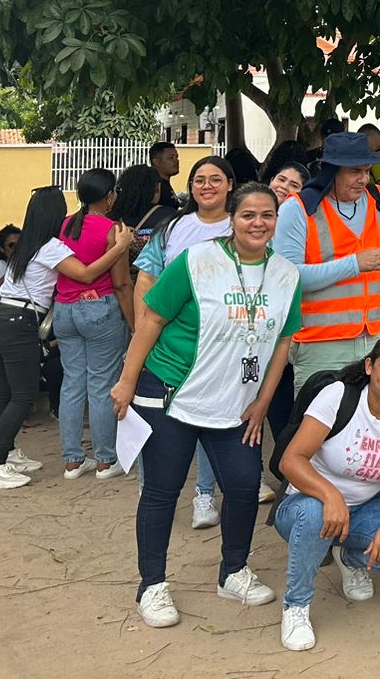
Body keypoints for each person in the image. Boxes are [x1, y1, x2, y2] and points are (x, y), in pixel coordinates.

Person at [111, 182, 302, 628]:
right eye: (248, 215)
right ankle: (151, 585)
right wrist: (127, 381)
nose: (258, 223)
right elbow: (152, 318)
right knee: (162, 490)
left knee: (243, 486)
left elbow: (282, 342)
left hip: (235, 403)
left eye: (267, 215)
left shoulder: (286, 275)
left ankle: (233, 571)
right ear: (231, 219)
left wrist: (263, 402)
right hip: (172, 393)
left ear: (277, 221)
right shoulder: (197, 260)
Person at [272, 334, 380, 651]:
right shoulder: (339, 396)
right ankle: (296, 605)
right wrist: (330, 495)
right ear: (369, 366)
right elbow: (291, 460)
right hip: (305, 504)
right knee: (316, 512)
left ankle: (348, 557)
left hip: (364, 507)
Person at [0, 186, 131, 489]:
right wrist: (119, 247)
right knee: (23, 395)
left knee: (3, 391)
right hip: (18, 320)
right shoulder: (50, 247)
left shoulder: (25, 244)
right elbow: (86, 274)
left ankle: (10, 454)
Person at [135, 155, 238, 526]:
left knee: (210, 420)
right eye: (199, 180)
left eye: (215, 179)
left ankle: (204, 495)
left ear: (230, 184)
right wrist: (142, 330)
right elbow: (146, 279)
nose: (206, 186)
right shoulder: (172, 227)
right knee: (159, 418)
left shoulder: (241, 226)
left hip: (222, 344)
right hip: (170, 342)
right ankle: (151, 492)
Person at [276, 133, 380, 392]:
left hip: (373, 340)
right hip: (321, 344)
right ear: (332, 171)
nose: (364, 179)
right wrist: (354, 264)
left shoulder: (377, 198)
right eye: (355, 171)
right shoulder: (297, 209)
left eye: (367, 171)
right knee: (318, 416)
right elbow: (288, 278)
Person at [53, 168, 135, 479]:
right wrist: (134, 325)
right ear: (109, 196)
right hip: (99, 308)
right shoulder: (114, 231)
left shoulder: (64, 225)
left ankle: (73, 460)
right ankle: (105, 460)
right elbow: (122, 283)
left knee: (72, 383)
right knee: (101, 384)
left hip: (65, 310)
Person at [149, 141, 181, 209]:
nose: (176, 161)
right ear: (156, 162)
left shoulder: (164, 183)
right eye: (171, 158)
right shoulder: (153, 185)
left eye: (176, 157)